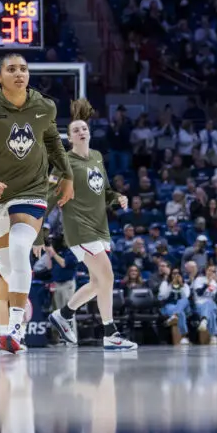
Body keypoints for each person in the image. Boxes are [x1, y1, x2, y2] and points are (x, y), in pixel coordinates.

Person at [0, 53, 74, 353]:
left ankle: (15, 329)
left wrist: (67, 175)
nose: (19, 73)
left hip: (33, 190)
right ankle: (7, 329)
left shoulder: (45, 106)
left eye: (23, 68)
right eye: (11, 69)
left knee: (20, 250)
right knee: (7, 265)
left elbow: (53, 141)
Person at [46, 99, 137, 351]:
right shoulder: (64, 162)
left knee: (98, 283)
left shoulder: (96, 157)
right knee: (107, 276)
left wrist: (117, 198)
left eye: (84, 128)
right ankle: (110, 333)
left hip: (100, 228)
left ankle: (63, 314)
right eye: (75, 130)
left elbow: (104, 191)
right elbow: (50, 196)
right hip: (79, 228)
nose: (81, 132)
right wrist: (39, 230)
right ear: (69, 138)